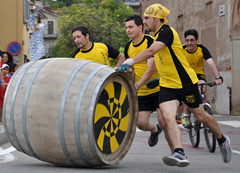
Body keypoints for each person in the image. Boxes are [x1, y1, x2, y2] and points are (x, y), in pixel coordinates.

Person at [117, 3, 232, 167]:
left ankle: (222, 139)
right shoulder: (156, 36)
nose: (145, 21)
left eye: (147, 18)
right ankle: (179, 152)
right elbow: (161, 61)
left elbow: (151, 52)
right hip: (167, 85)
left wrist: (130, 61)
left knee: (201, 116)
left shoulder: (166, 32)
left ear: (157, 18)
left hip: (185, 83)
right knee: (168, 117)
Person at [124, 15, 163, 147]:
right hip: (141, 91)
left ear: (140, 27)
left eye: (130, 27)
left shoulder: (150, 42)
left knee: (165, 121)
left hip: (158, 88)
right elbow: (132, 69)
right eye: (126, 28)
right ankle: (155, 130)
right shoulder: (128, 47)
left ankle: (176, 151)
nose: (128, 30)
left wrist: (136, 86)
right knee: (141, 123)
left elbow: (151, 69)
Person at [180, 29, 223, 127]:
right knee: (188, 92)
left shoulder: (202, 49)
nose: (189, 43)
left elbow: (211, 64)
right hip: (186, 74)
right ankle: (186, 115)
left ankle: (206, 109)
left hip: (198, 74)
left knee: (202, 87)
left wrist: (218, 77)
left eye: (192, 40)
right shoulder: (181, 49)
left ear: (197, 40)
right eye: (187, 40)